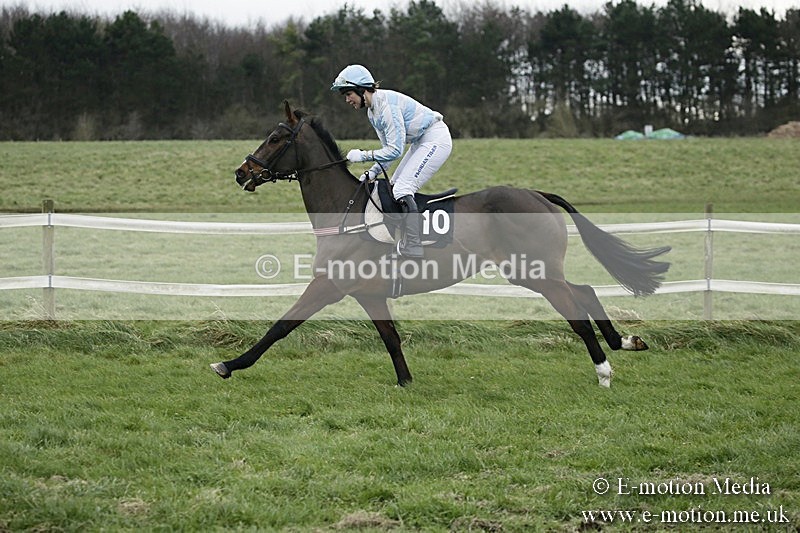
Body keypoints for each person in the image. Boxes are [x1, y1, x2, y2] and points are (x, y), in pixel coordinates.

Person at [330, 64, 452, 258]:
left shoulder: (386, 107)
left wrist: (363, 155)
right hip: (420, 142)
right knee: (394, 186)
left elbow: (395, 150)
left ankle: (414, 244)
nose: (347, 100)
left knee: (403, 189)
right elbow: (389, 152)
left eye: (348, 93)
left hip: (435, 139)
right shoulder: (373, 112)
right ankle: (401, 240)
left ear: (362, 90)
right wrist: (372, 172)